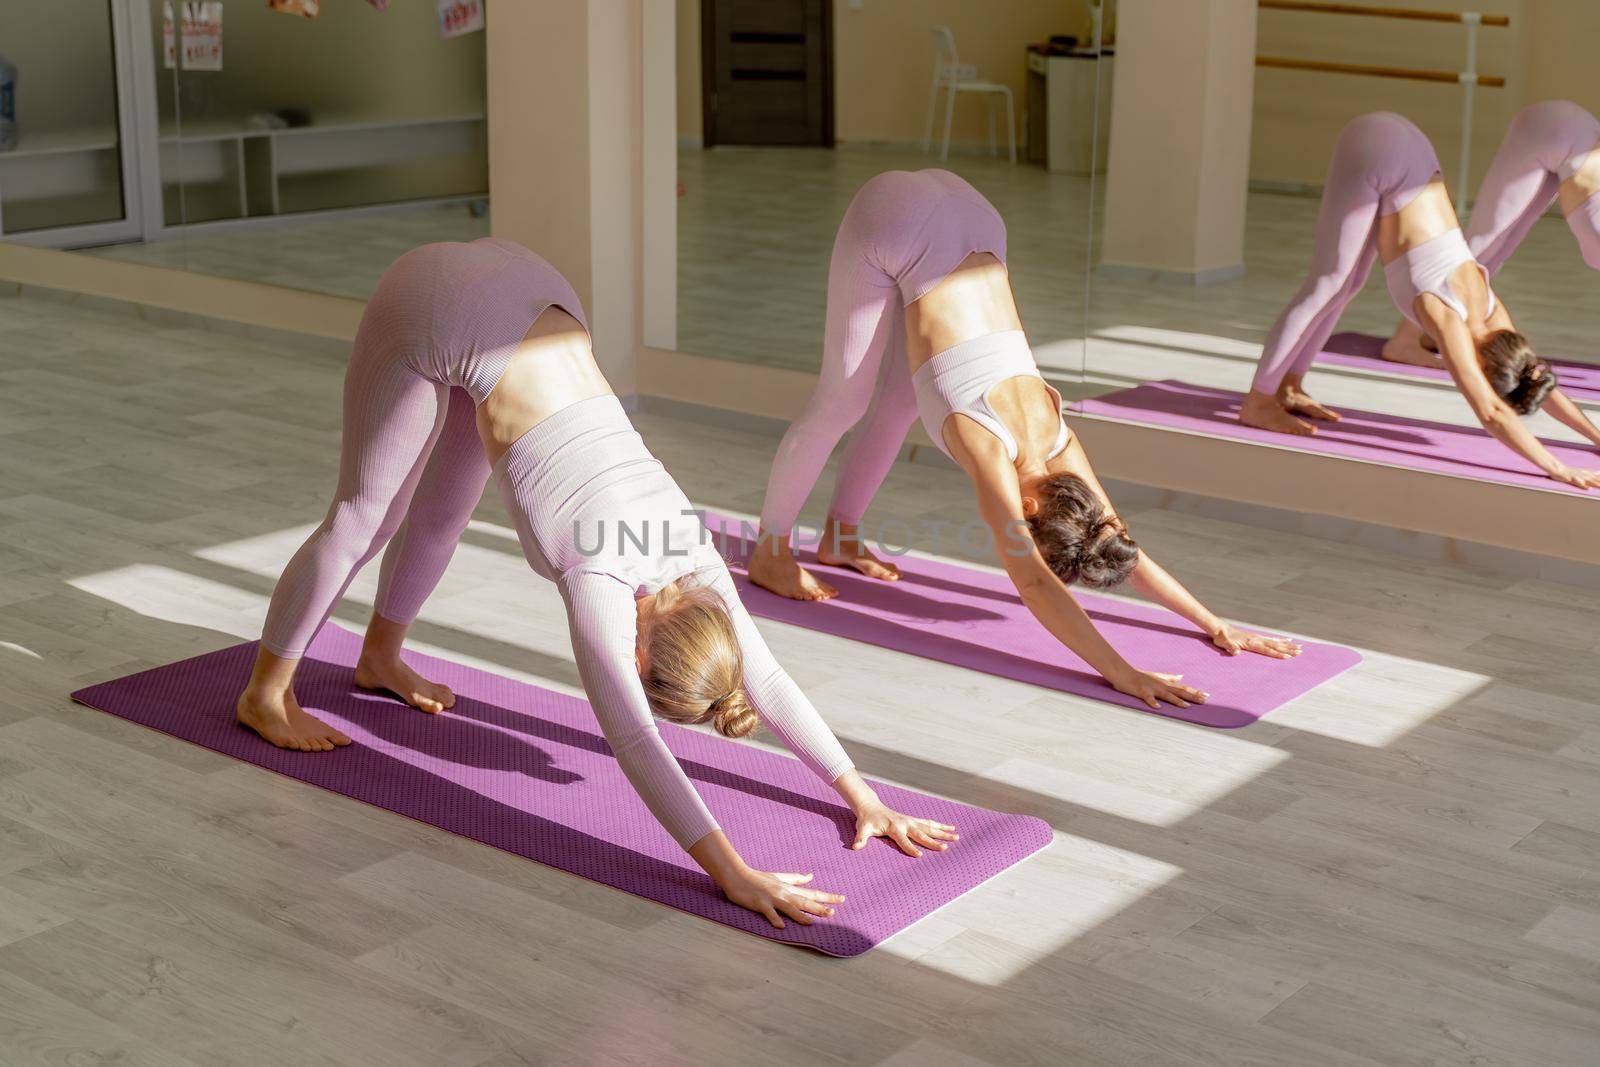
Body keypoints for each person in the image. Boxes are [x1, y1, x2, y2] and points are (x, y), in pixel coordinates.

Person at [235, 239, 956, 929]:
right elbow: (636, 741)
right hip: (439, 301)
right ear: (640, 660)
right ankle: (265, 695)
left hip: (533, 292)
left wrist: (863, 795)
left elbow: (764, 678)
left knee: (443, 513)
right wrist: (731, 871)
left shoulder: (697, 562)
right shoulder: (600, 579)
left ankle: (379, 656)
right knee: (366, 516)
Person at [747, 170, 1301, 713]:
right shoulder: (985, 441)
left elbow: (1118, 543)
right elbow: (1032, 583)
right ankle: (770, 554)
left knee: (900, 399)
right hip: (896, 218)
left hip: (975, 217)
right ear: (1030, 506)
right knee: (842, 402)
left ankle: (840, 537)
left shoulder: (1061, 442)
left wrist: (1215, 624)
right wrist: (1121, 673)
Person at [1241, 112, 1600, 490]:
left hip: (1405, 154)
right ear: (1482, 366)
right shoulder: (1447, 316)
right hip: (1380, 149)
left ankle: (1290, 385)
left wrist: (1597, 437)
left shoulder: (1495, 318)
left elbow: (1535, 377)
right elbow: (1490, 411)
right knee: (1328, 282)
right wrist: (1558, 467)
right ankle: (1258, 402)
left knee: (1348, 283)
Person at [1383, 100, 1600, 365]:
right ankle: (1405, 341)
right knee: (1480, 245)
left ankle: (1433, 333)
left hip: (1567, 135)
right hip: (1547, 129)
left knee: (1498, 249)